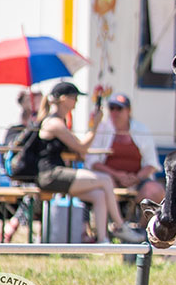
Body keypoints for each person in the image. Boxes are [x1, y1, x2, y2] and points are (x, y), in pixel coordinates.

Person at [36, 82, 144, 244]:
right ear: (65, 100)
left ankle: (102, 240)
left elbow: (77, 149)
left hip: (54, 174)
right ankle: (120, 226)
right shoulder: (54, 123)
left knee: (99, 195)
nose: (76, 102)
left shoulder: (59, 121)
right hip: (49, 175)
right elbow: (82, 148)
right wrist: (95, 127)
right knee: (105, 180)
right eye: (74, 98)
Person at [86, 93, 164, 216]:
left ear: (128, 110)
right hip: (109, 177)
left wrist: (136, 178)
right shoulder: (102, 129)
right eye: (112, 108)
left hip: (138, 180)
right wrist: (117, 175)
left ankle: (143, 231)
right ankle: (114, 228)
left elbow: (152, 163)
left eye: (119, 109)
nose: (115, 113)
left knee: (156, 191)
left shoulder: (141, 129)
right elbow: (92, 161)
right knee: (104, 186)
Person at [0, 89, 44, 243]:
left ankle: (18, 225)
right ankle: (15, 224)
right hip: (18, 175)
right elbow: (12, 149)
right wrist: (31, 129)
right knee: (34, 192)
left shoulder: (40, 132)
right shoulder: (15, 130)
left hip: (36, 176)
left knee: (42, 189)